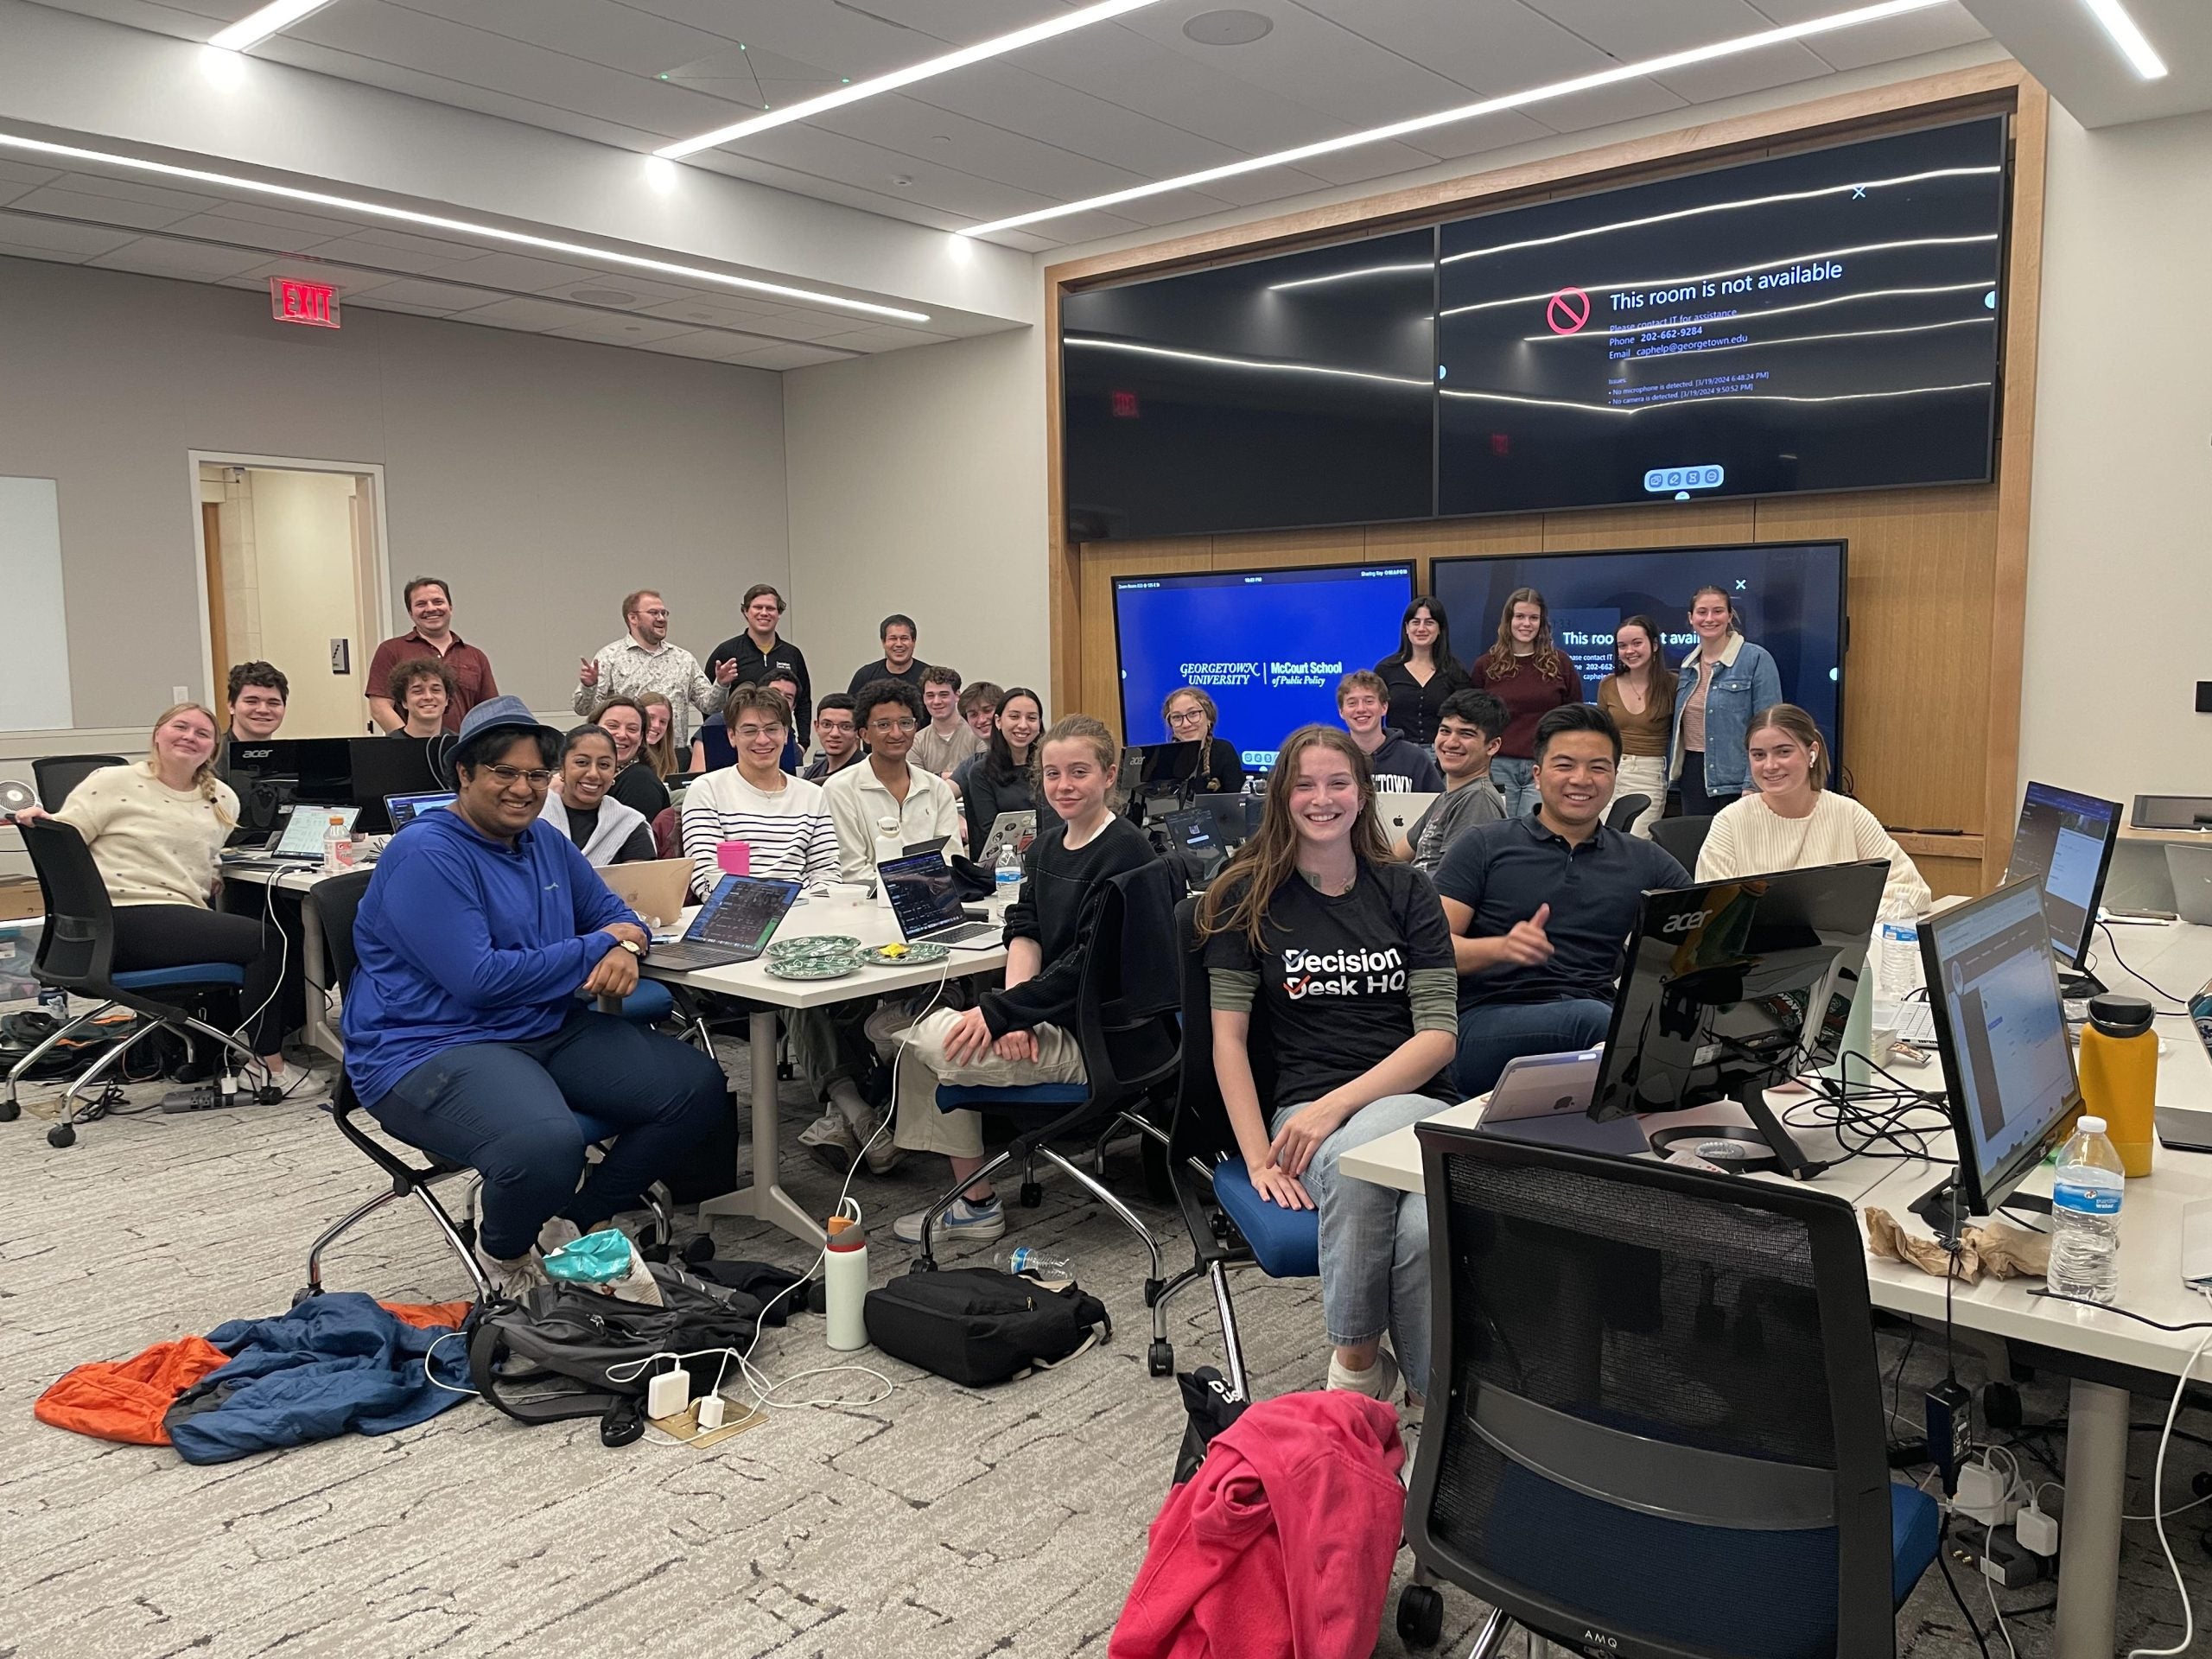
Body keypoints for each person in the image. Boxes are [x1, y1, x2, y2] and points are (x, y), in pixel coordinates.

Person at [341, 696, 729, 1297]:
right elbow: (481, 979)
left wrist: (623, 947)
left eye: (535, 775)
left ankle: (572, 1221)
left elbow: (623, 915)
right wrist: (599, 945)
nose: (523, 788)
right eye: (504, 772)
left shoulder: (544, 843)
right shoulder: (427, 852)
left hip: (541, 1026)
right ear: (464, 773)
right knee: (546, 1144)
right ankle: (504, 1254)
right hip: (429, 1045)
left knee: (695, 1086)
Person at [1198, 724, 1458, 1407]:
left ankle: (1353, 1376)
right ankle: (1421, 1401)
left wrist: (1337, 1106)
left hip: (1410, 1099)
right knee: (1421, 1225)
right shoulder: (1243, 897)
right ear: (1281, 796)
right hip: (1302, 1111)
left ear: (1364, 793)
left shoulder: (1407, 891)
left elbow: (1437, 1038)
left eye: (1338, 783)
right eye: (1305, 785)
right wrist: (1257, 1159)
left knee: (1360, 1163)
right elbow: (1228, 1043)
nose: (1322, 798)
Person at [870, 715, 1157, 1245]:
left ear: (1110, 775)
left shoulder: (1126, 852)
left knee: (923, 1040)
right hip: (1054, 1016)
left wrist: (1011, 1013)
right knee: (920, 1036)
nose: (1064, 785)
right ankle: (972, 1202)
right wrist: (1011, 1009)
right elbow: (1025, 930)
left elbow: (1085, 969)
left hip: (1100, 1036)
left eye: (1078, 772)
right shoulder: (1047, 847)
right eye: (1052, 774)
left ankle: (973, 1205)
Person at [29, 704, 304, 1092]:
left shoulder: (222, 799)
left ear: (213, 749)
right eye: (180, 727)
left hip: (172, 917)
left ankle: (234, 1043)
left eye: (203, 733)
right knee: (267, 940)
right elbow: (64, 842)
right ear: (158, 734)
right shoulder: (112, 781)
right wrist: (42, 821)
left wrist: (212, 875)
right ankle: (268, 1064)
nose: (190, 736)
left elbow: (207, 859)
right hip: (121, 920)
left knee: (257, 924)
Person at [1435, 704, 1689, 1098]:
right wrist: (1500, 948)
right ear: (1537, 775)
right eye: (1565, 765)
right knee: (1599, 1024)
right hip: (1484, 1023)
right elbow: (1432, 951)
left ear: (1615, 777)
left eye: (1598, 768)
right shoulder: (1485, 845)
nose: (1581, 780)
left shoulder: (1645, 859)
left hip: (1596, 1014)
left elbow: (1701, 933)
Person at [1696, 703, 1930, 916]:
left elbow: (1912, 891)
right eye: (1759, 755)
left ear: (1812, 752)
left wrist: (1833, 919)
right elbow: (1711, 911)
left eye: (1783, 752)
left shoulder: (1848, 813)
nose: (1770, 765)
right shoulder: (1729, 822)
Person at [681, 685, 840, 899]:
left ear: (785, 734)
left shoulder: (813, 795)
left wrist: (810, 910)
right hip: (735, 916)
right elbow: (705, 877)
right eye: (750, 730)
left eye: (772, 729)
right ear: (732, 736)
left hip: (805, 912)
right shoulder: (707, 790)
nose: (762, 740)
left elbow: (827, 872)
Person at [822, 680, 961, 881]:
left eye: (905, 723)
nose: (896, 734)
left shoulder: (937, 789)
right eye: (884, 725)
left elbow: (950, 858)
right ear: (864, 734)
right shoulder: (840, 789)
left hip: (930, 899)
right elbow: (853, 870)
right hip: (866, 905)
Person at [1669, 584, 1783, 819]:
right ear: (1691, 618)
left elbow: (1771, 728)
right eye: (1702, 612)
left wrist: (1753, 783)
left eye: (1718, 611)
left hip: (1738, 779)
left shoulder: (1756, 659)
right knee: (1699, 851)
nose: (1709, 618)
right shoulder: (1687, 666)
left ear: (1730, 616)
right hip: (1693, 777)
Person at [1473, 588, 1585, 819]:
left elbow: (1576, 715)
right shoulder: (1487, 665)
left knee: (1535, 834)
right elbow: (1474, 718)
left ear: (1542, 623)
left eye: (1533, 618)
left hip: (1545, 764)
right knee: (1500, 832)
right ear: (1508, 620)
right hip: (1499, 765)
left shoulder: (1560, 663)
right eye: (1520, 617)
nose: (1526, 624)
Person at [575, 589, 723, 747]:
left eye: (664, 613)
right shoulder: (609, 657)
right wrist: (589, 687)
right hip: (627, 755)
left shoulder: (683, 659)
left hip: (672, 756)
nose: (661, 619)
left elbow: (710, 707)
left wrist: (721, 684)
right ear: (633, 618)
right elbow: (583, 710)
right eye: (654, 613)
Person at [1392, 689, 1506, 874]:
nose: (1451, 742)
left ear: (1492, 746)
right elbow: (1395, 856)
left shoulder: (1477, 799)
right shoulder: (1448, 797)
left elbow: (1456, 887)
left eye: (1466, 734)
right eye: (1445, 731)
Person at [366, 577, 498, 733]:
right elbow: (380, 708)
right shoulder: (391, 650)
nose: (430, 609)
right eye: (421, 604)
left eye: (438, 602)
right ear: (410, 613)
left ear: (450, 607)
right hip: (411, 753)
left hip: (463, 752)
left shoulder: (476, 656)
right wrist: (409, 744)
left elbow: (490, 712)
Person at [1594, 615, 1676, 839]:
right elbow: (1600, 735)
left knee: (1636, 844)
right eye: (1622, 646)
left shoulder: (1673, 685)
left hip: (1648, 775)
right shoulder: (1608, 684)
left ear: (1655, 645)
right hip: (1610, 771)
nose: (1629, 650)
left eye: (1636, 643)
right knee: (1600, 844)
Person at [540, 723, 657, 867]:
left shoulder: (629, 825)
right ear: (562, 768)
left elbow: (638, 887)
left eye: (604, 765)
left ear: (615, 772)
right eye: (582, 762)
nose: (593, 774)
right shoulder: (535, 816)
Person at [705, 584, 812, 735]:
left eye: (770, 608)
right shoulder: (727, 652)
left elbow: (804, 702)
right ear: (745, 612)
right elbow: (708, 704)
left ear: (779, 613)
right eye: (758, 607)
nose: (764, 613)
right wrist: (716, 737)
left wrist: (803, 742)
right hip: (739, 738)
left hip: (781, 737)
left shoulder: (792, 654)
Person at [1374, 595, 1473, 750]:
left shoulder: (1455, 671)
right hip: (1397, 753)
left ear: (1440, 629)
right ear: (1406, 628)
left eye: (1429, 622)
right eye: (1415, 622)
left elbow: (1467, 720)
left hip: (1443, 755)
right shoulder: (1386, 670)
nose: (1421, 629)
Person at [963, 687, 1044, 859]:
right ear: (998, 721)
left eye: (1031, 718)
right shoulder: (981, 772)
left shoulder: (1051, 768)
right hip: (1008, 865)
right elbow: (991, 836)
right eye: (1014, 717)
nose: (1023, 725)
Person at [1335, 671, 1442, 794]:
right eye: (1352, 703)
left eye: (1369, 701)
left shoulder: (1416, 758)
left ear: (1384, 707)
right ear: (1341, 712)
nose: (1361, 709)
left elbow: (1439, 807)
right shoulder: (1333, 759)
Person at [691, 669, 805, 776]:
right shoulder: (717, 723)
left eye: (788, 697)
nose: (762, 740)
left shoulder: (792, 747)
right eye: (750, 731)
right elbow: (697, 775)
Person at [1152, 686, 1246, 796]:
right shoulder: (1161, 758)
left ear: (1209, 718)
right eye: (1177, 717)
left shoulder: (1224, 751)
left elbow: (1237, 805)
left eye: (1193, 714)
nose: (1186, 724)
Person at [588, 696, 670, 820]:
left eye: (632, 729)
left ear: (641, 737)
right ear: (592, 729)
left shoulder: (640, 781)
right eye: (613, 726)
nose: (622, 735)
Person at [913, 665, 986, 777]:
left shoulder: (979, 733)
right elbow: (916, 782)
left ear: (957, 696)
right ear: (923, 698)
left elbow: (983, 776)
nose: (936, 701)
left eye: (943, 695)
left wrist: (936, 776)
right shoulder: (916, 742)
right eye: (930, 695)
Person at [844, 613, 929, 697]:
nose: (899, 644)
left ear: (913, 642)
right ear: (883, 642)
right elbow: (849, 710)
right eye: (893, 638)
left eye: (904, 638)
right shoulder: (865, 676)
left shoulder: (929, 677)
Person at [385, 658, 455, 741]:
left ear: (447, 699)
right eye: (418, 691)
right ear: (404, 701)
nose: (428, 697)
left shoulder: (461, 746)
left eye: (436, 690)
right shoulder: (387, 747)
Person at [801, 693, 864, 783]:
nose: (835, 734)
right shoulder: (813, 772)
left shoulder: (868, 773)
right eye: (827, 725)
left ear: (858, 731)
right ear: (817, 726)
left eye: (845, 726)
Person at [223, 661, 288, 745]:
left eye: (273, 703)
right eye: (251, 702)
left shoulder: (295, 756)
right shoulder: (208, 755)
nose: (263, 710)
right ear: (231, 706)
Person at [636, 691, 680, 779]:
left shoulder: (670, 760)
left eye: (663, 721)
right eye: (650, 718)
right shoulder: (626, 756)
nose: (656, 725)